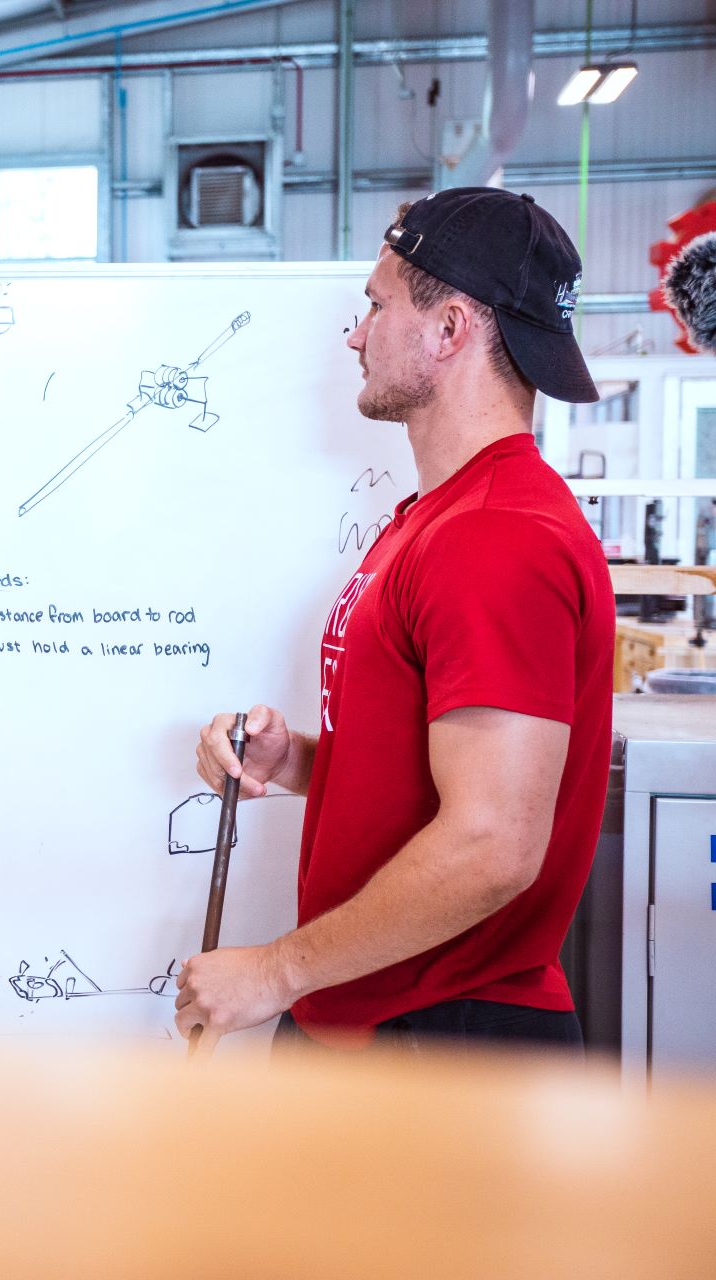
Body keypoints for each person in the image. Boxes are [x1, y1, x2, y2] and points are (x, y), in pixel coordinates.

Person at [173, 188, 613, 1055]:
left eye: (376, 306)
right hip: (380, 1019)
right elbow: (427, 780)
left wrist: (275, 972)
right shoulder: (435, 518)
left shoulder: (495, 535)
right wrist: (292, 758)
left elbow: (492, 843)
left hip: (442, 1037)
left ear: (450, 329)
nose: (353, 333)